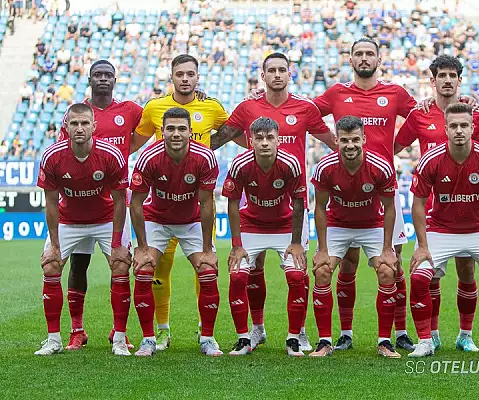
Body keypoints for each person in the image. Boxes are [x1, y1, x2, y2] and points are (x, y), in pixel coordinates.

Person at [209, 52, 336, 352]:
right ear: (262, 76)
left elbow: (333, 141)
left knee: (297, 272)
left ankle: (300, 332)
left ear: (289, 74)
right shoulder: (247, 107)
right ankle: (256, 330)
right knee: (250, 270)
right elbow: (220, 138)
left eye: (282, 70)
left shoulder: (305, 108)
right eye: (272, 70)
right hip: (255, 205)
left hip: (292, 207)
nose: (277, 74)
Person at [312, 38, 416, 351]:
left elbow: (420, 118)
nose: (364, 58)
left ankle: (398, 334)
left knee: (393, 263)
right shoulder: (337, 93)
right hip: (344, 186)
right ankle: (344, 334)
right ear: (351, 59)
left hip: (382, 187)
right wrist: (333, 145)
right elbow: (306, 115)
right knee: (347, 265)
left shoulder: (395, 92)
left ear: (378, 58)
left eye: (369, 53)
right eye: (359, 53)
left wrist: (396, 147)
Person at [132, 54, 228, 351]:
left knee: (207, 269)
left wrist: (210, 247)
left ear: (197, 77)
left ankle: (206, 334)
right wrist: (142, 244)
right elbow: (133, 143)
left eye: (190, 74)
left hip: (192, 218)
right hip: (159, 215)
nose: (185, 78)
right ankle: (157, 333)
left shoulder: (210, 107)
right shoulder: (154, 109)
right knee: (151, 269)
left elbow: (233, 128)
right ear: (171, 77)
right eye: (180, 74)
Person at [394, 55, 479, 352]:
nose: (447, 80)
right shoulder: (419, 114)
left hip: (469, 207)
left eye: (453, 75)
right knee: (429, 274)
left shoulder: (476, 115)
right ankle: (431, 335)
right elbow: (393, 147)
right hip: (433, 211)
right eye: (441, 75)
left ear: (460, 80)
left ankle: (465, 334)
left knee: (467, 271)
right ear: (432, 81)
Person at [409, 103, 479, 358]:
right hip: (440, 231)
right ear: (445, 129)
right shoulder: (431, 159)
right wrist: (423, 246)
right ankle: (425, 341)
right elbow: (418, 203)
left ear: (472, 128)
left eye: (464, 125)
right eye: (454, 126)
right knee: (418, 277)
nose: (459, 130)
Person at [57, 60, 142, 351]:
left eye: (108, 75)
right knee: (79, 265)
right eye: (98, 75)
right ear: (90, 79)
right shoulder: (77, 113)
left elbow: (154, 124)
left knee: (120, 265)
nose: (103, 79)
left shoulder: (129, 110)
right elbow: (63, 149)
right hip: (79, 206)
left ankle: (120, 332)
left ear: (115, 80)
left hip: (114, 206)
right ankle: (77, 330)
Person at [35, 103, 131, 356]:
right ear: (65, 127)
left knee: (121, 265)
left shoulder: (111, 155)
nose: (79, 128)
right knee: (51, 265)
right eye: (74, 123)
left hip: (106, 218)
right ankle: (54, 339)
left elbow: (121, 200)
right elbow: (51, 202)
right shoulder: (52, 156)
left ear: (94, 126)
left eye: (84, 123)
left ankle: (120, 338)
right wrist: (55, 245)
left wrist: (117, 241)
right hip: (69, 220)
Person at [310, 116, 400, 358]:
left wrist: (387, 248)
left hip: (372, 224)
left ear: (364, 139)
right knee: (321, 270)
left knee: (387, 271)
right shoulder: (325, 167)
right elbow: (320, 207)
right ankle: (325, 342)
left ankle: (384, 341)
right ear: (337, 140)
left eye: (355, 140)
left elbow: (390, 208)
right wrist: (322, 248)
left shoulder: (380, 167)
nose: (350, 145)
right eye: (345, 140)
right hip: (338, 225)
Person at [223, 117, 307, 356]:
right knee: (238, 276)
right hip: (251, 224)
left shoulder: (291, 163)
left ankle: (293, 338)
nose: (264, 143)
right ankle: (245, 337)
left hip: (284, 226)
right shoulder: (240, 164)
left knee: (295, 275)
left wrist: (296, 242)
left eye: (270, 137)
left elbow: (299, 204)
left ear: (278, 140)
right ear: (250, 141)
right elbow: (232, 203)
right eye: (259, 138)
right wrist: (237, 245)